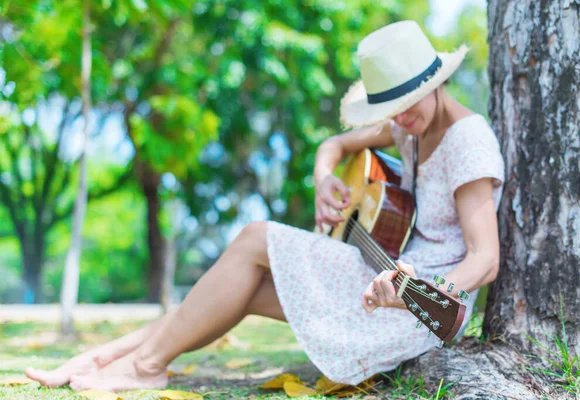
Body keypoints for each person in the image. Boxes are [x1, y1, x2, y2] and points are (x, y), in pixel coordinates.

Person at [25, 20, 505, 391]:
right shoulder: (408, 126)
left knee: (255, 238)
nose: (402, 115)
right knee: (239, 284)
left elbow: (485, 260)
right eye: (392, 106)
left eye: (411, 100)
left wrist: (417, 288)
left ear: (436, 81)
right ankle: (107, 359)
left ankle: (145, 365)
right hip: (378, 274)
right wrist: (322, 180)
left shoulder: (468, 143)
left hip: (425, 310)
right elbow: (333, 148)